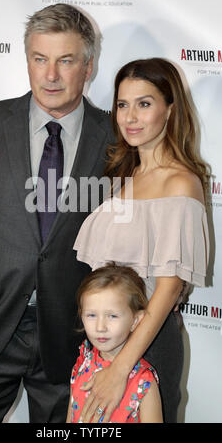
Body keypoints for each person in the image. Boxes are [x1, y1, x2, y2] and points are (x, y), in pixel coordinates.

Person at [0, 3, 113, 423]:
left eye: (65, 61)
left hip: (71, 334)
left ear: (87, 67)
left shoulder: (115, 137)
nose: (50, 75)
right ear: (28, 61)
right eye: (40, 59)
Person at [74, 57, 210, 423]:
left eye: (144, 103)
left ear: (170, 109)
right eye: (122, 104)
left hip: (146, 346)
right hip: (103, 343)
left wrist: (120, 369)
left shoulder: (181, 183)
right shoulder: (125, 176)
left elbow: (167, 290)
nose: (130, 116)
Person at [66, 264, 163, 423]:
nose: (100, 327)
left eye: (112, 316)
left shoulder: (144, 382)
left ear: (135, 320)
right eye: (91, 315)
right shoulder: (82, 365)